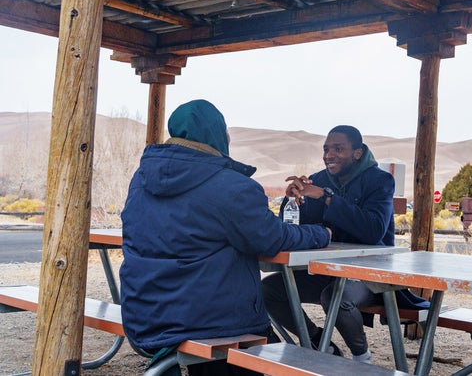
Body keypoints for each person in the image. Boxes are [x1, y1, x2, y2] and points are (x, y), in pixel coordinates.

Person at [119, 99, 331, 376]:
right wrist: (321, 233)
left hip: (143, 314)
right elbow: (272, 238)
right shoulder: (231, 186)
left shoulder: (142, 178)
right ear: (217, 135)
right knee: (273, 360)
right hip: (207, 320)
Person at [261, 125, 395, 364]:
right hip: (325, 270)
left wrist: (325, 197)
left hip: (369, 274)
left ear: (357, 152)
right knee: (269, 290)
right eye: (326, 149)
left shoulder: (380, 181)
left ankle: (362, 359)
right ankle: (318, 341)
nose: (328, 155)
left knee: (335, 297)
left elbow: (373, 230)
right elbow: (298, 228)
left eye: (337, 149)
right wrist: (292, 201)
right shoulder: (319, 180)